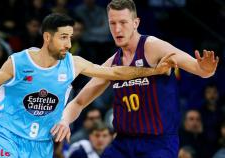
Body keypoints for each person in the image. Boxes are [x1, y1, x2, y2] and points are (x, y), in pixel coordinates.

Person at [0, 13, 174, 158]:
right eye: (63, 37)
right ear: (47, 38)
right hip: (8, 137)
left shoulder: (73, 64)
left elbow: (115, 72)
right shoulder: (18, 62)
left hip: (41, 145)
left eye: (71, 37)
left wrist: (153, 70)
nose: (69, 43)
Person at [51, 0, 219, 157]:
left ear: (135, 23)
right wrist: (64, 120)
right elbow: (79, 102)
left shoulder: (152, 46)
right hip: (123, 142)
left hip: (158, 143)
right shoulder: (113, 63)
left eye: (123, 23)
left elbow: (199, 69)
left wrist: (206, 69)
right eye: (112, 23)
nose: (117, 29)